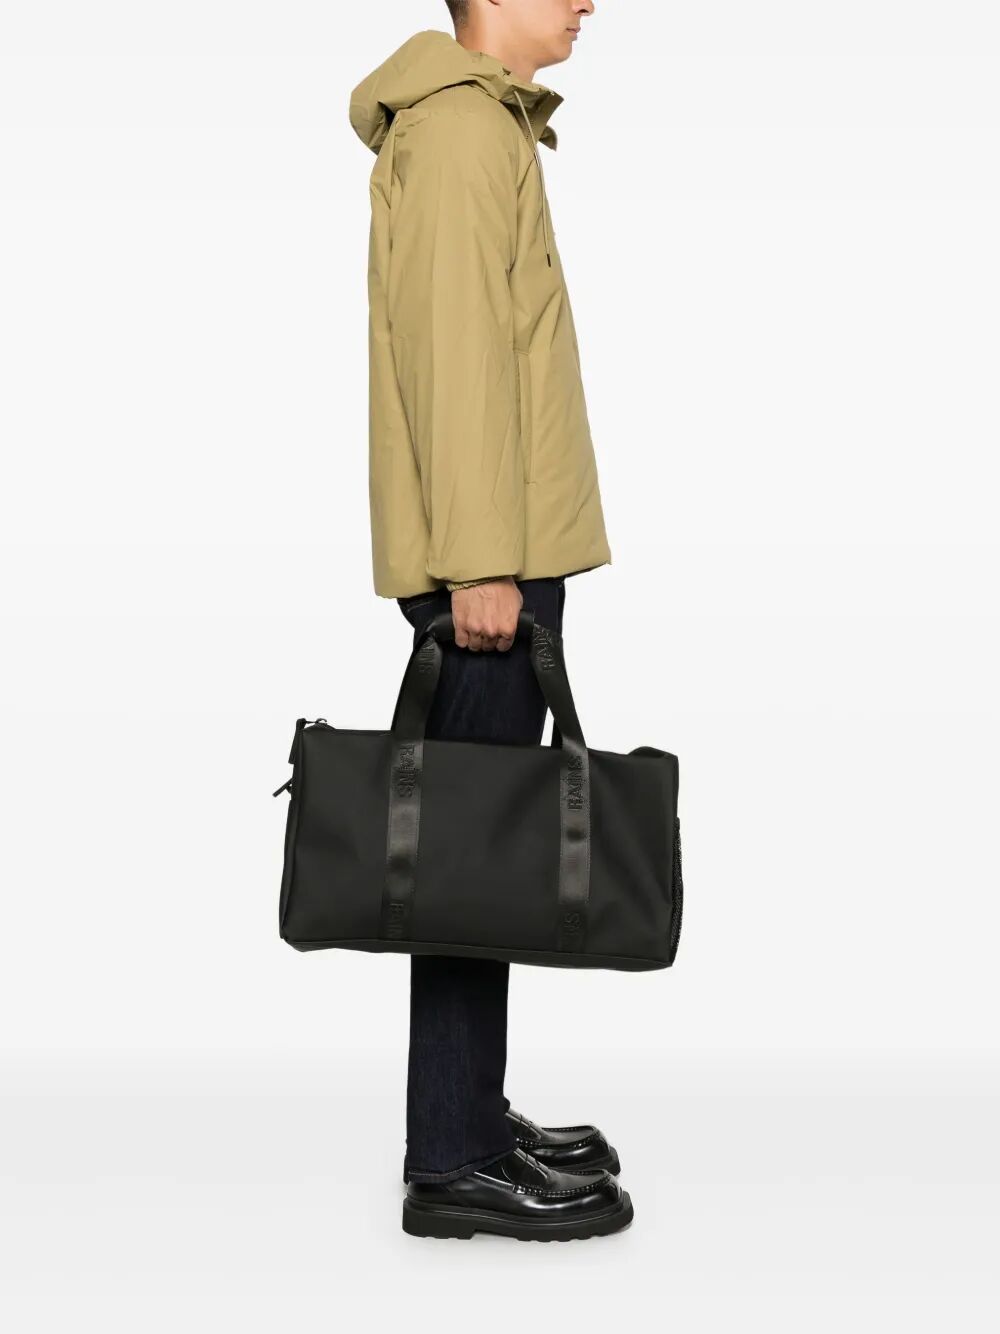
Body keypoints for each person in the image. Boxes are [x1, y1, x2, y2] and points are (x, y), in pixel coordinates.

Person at [350, 1, 630, 1241]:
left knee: (477, 845)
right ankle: (453, 1157)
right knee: (466, 855)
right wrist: (479, 565)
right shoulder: (464, 131)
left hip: (504, 552)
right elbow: (457, 355)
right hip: (491, 567)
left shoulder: (478, 124)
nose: (587, 2)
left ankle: (464, 1111)